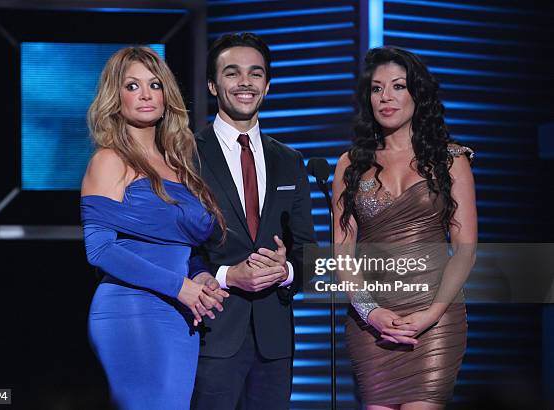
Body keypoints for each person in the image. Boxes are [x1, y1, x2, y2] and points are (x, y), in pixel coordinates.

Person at [80, 46, 228, 410]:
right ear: (116, 98)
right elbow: (99, 249)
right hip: (131, 310)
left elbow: (187, 246)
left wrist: (202, 277)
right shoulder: (110, 159)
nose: (146, 94)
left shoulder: (181, 164)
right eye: (132, 86)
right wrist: (180, 287)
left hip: (181, 314)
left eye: (155, 84)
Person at [332, 46, 477, 409]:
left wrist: (432, 313)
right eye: (377, 88)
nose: (386, 97)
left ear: (417, 93)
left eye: (398, 86)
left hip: (435, 316)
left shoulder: (450, 160)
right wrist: (370, 311)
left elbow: (465, 248)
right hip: (372, 320)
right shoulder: (350, 164)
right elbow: (343, 253)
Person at [188, 33, 316, 410]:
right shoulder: (185, 155)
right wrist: (228, 275)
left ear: (267, 85)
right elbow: (178, 245)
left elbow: (307, 250)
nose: (245, 82)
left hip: (275, 341)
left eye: (255, 73)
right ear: (213, 85)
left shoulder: (290, 160)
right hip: (212, 332)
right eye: (233, 73)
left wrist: (287, 271)